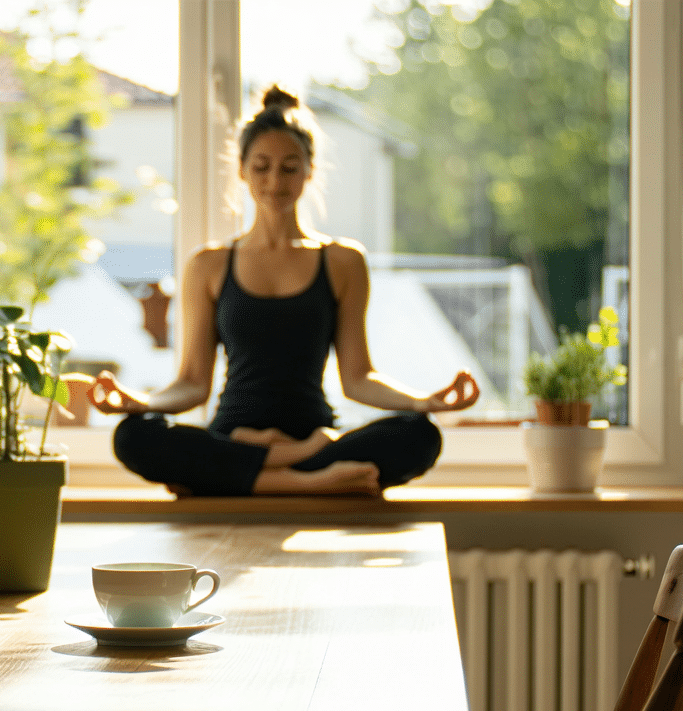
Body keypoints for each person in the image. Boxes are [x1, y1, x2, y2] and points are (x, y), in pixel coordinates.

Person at [89, 85, 480, 497]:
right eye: (261, 166)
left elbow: (359, 377)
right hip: (239, 437)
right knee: (134, 435)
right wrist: (139, 403)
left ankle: (244, 477)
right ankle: (304, 481)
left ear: (310, 170)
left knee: (420, 435)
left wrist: (425, 403)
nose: (275, 181)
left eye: (289, 168)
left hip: (311, 436)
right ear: (240, 169)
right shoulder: (209, 264)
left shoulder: (342, 261)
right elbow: (191, 383)